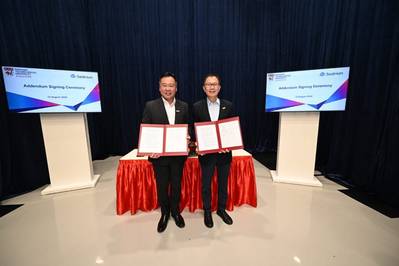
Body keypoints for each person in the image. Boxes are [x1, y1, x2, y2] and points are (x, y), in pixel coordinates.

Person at [142, 72, 189, 233]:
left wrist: (188, 137)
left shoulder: (184, 106)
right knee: (162, 186)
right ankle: (164, 213)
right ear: (159, 87)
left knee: (176, 185)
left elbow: (187, 127)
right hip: (160, 158)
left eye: (171, 86)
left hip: (177, 157)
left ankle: (175, 211)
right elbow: (146, 130)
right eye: (165, 85)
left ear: (176, 88)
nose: (168, 88)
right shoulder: (150, 106)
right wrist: (149, 150)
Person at [193, 74, 235, 228]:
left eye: (215, 84)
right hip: (206, 154)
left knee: (223, 184)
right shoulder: (197, 106)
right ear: (204, 88)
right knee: (206, 185)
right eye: (208, 84)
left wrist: (229, 144)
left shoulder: (228, 105)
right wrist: (196, 145)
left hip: (224, 153)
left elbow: (232, 128)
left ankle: (221, 210)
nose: (212, 87)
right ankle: (207, 211)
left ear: (219, 87)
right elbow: (194, 128)